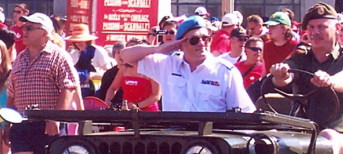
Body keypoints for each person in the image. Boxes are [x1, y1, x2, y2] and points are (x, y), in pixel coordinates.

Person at [270, 3, 343, 154]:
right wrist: (280, 74)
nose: (315, 32)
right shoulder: (301, 56)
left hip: (342, 140)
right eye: (311, 27)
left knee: (327, 140)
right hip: (301, 135)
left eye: (322, 27)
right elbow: (285, 77)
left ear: (337, 28)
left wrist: (331, 81)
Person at [6, 13, 79, 154]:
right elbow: (12, 94)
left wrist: (54, 118)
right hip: (22, 123)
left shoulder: (58, 56)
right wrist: (7, 123)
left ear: (45, 33)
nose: (24, 32)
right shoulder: (20, 59)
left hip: (48, 123)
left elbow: (68, 87)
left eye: (30, 28)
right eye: (24, 28)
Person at [120, 15, 254, 113]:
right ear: (180, 44)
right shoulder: (167, 65)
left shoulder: (225, 71)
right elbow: (126, 56)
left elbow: (243, 111)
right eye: (194, 40)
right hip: (175, 139)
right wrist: (157, 49)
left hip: (210, 142)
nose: (202, 43)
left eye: (205, 38)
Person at [106, 40, 161, 111]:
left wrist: (137, 105)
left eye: (132, 49)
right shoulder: (124, 68)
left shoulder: (151, 68)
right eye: (126, 50)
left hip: (148, 113)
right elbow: (113, 88)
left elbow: (156, 96)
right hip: (128, 112)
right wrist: (108, 101)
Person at [66, 24, 112, 97]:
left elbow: (109, 74)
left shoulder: (98, 51)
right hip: (78, 93)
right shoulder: (73, 54)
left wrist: (93, 75)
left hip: (96, 92)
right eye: (76, 41)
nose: (79, 43)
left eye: (81, 40)